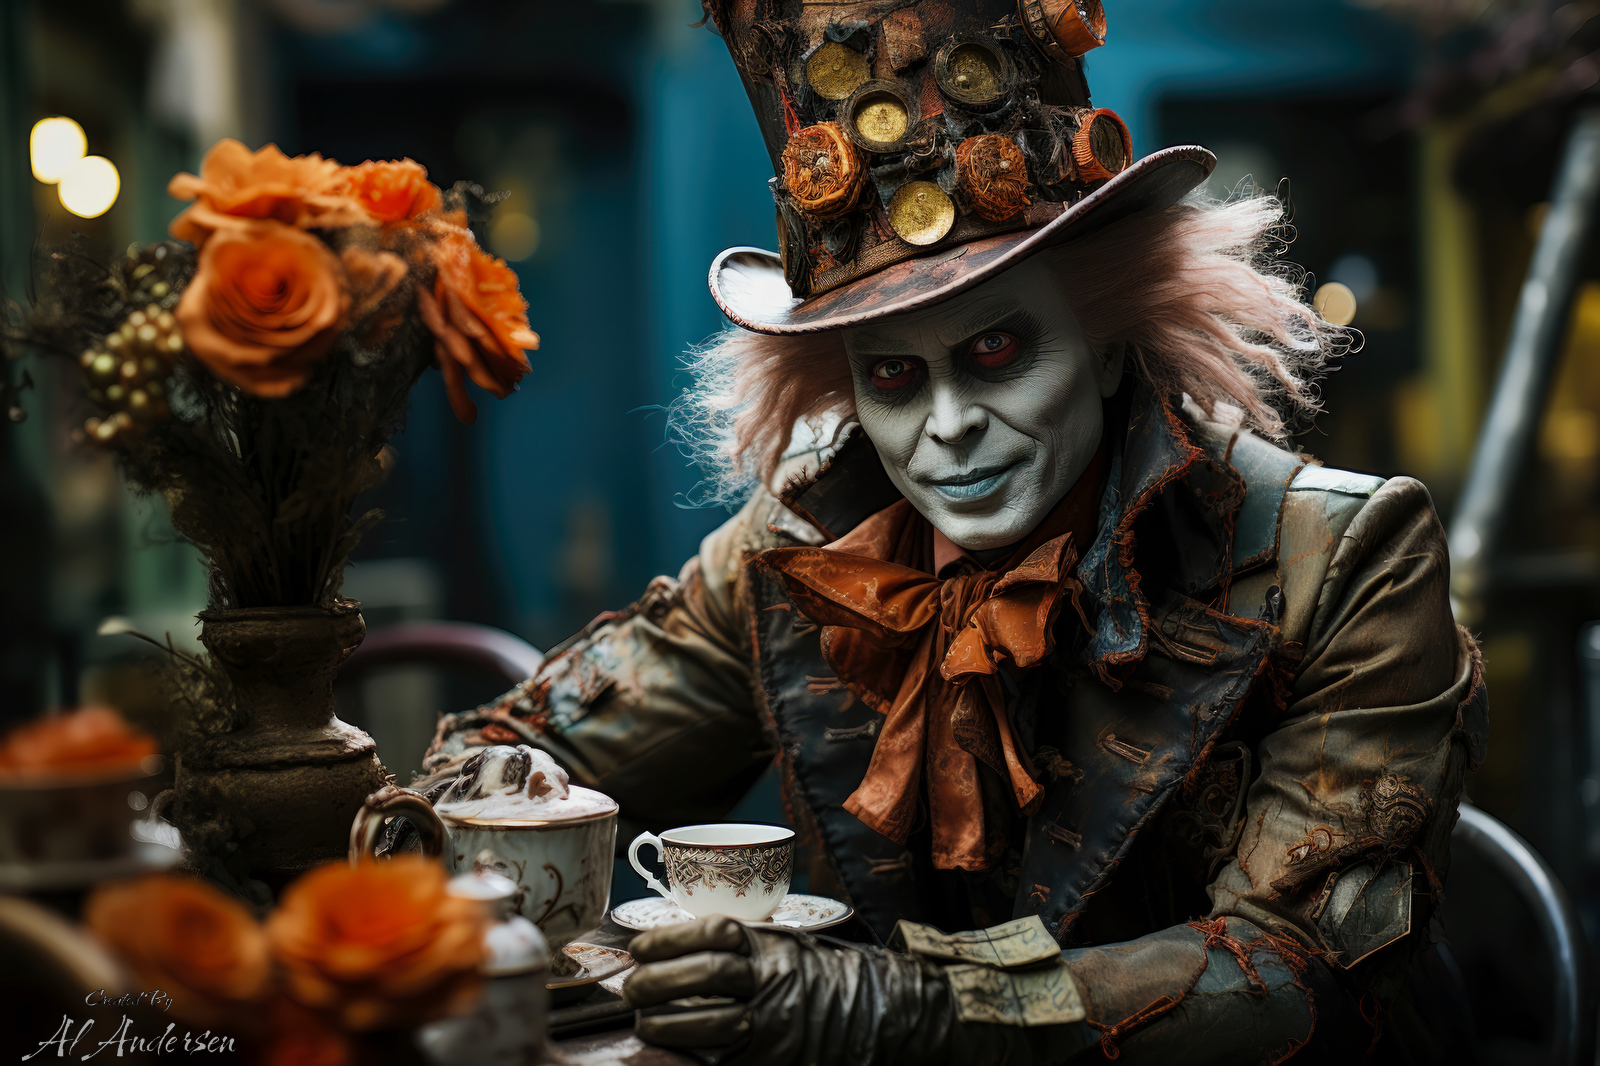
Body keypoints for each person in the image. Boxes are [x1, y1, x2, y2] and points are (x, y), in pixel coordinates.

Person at [422, 0, 1487, 1059]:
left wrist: (901, 1009)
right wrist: (432, 825)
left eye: (995, 352)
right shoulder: (800, 548)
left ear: (1111, 341)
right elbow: (526, 758)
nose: (943, 427)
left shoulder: (1342, 560)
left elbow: (1295, 975)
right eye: (889, 373)